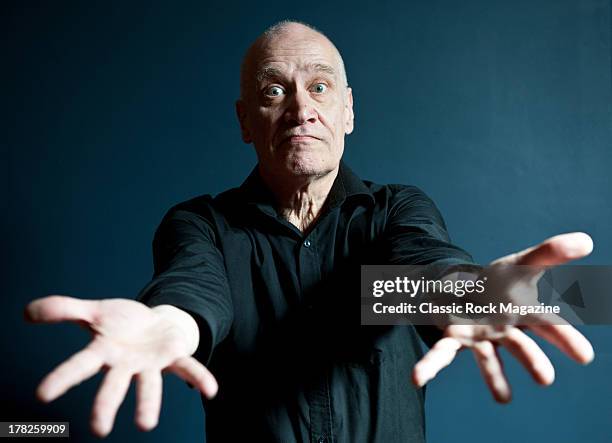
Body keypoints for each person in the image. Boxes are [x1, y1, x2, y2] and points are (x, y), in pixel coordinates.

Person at [25, 20, 595, 442]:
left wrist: (476, 294)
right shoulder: (204, 225)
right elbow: (194, 290)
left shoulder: (392, 211)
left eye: (319, 87)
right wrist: (165, 325)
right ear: (246, 121)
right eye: (274, 91)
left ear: (347, 111)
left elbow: (418, 268)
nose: (301, 108)